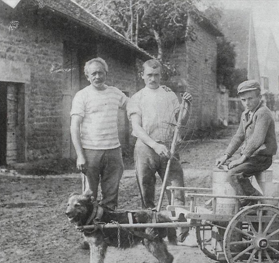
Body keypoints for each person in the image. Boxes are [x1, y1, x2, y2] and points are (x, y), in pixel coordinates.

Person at [127, 59, 192, 210]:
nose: (153, 79)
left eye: (156, 75)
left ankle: (178, 228)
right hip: (146, 147)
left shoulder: (169, 95)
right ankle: (152, 230)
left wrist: (187, 107)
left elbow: (180, 122)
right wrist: (154, 145)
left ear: (161, 75)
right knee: (146, 193)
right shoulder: (137, 98)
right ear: (142, 75)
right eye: (149, 75)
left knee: (177, 192)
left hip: (169, 146)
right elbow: (136, 127)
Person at [70, 57, 128, 212]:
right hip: (91, 152)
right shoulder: (82, 95)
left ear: (106, 74)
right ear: (87, 76)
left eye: (100, 73)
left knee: (111, 195)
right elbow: (74, 127)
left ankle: (108, 228)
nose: (97, 77)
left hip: (113, 151)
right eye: (93, 73)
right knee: (89, 197)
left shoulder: (115, 93)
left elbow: (135, 106)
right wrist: (80, 155)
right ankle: (91, 230)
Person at [215, 80, 277, 199]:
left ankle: (254, 202)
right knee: (225, 167)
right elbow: (239, 136)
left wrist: (242, 158)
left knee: (233, 174)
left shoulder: (263, 113)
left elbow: (257, 139)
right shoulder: (246, 114)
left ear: (259, 97)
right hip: (251, 157)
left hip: (261, 158)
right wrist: (226, 155)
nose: (247, 103)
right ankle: (240, 200)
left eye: (250, 98)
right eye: (243, 100)